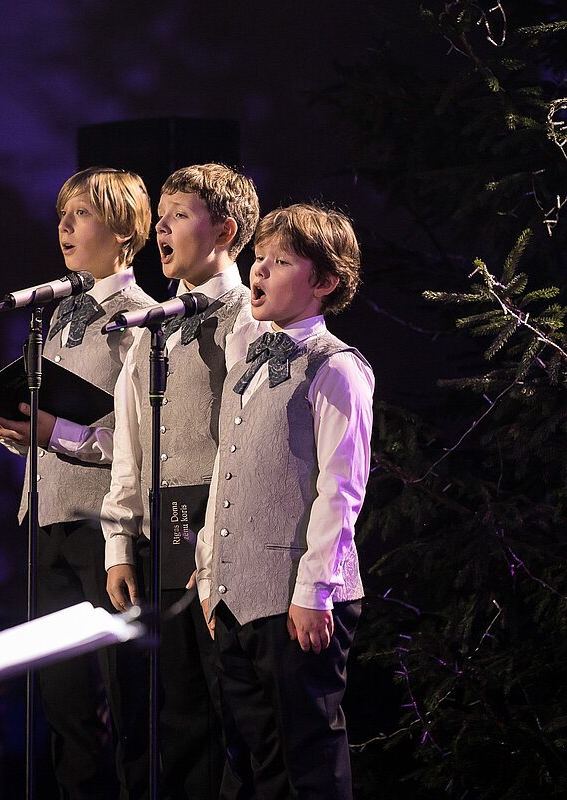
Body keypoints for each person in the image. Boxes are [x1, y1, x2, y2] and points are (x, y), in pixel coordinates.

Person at [0, 166, 156, 799]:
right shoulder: (58, 316)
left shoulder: (143, 318)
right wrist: (15, 429)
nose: (64, 226)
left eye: (81, 214)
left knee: (128, 703)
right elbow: (53, 429)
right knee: (66, 707)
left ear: (124, 230)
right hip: (47, 521)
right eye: (62, 215)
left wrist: (55, 431)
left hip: (105, 532)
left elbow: (139, 447)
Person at [195, 203, 373, 800]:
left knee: (307, 765)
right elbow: (227, 471)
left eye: (282, 261)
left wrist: (313, 590)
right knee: (253, 766)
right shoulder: (247, 362)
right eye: (259, 258)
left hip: (298, 597)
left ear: (325, 282)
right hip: (235, 597)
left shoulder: (337, 367)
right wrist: (209, 576)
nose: (260, 271)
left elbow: (340, 490)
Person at [101, 163, 260, 799]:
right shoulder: (152, 328)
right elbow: (130, 444)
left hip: (226, 537)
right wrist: (119, 544)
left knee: (236, 716)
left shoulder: (251, 319)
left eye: (179, 216)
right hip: (164, 534)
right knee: (180, 718)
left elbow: (249, 445)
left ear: (224, 230)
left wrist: (217, 545)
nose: (160, 229)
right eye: (160, 218)